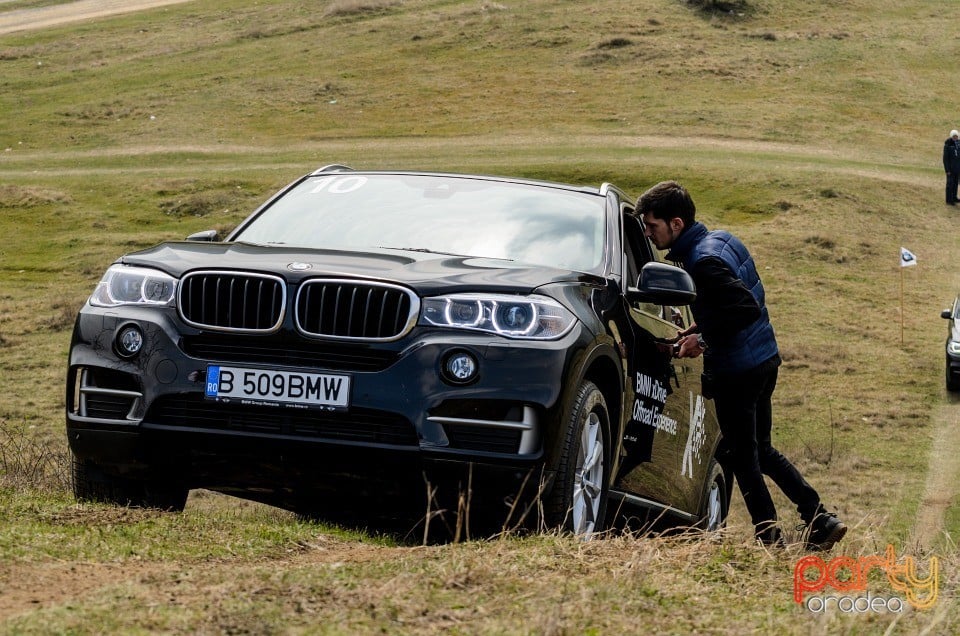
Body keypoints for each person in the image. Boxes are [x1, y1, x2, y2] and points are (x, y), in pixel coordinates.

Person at [636, 180, 847, 550]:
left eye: (653, 226)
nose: (650, 234)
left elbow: (743, 308)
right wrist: (701, 326)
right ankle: (820, 517)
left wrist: (701, 341)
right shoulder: (720, 240)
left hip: (739, 370)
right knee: (760, 451)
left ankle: (770, 537)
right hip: (764, 359)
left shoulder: (702, 263)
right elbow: (735, 301)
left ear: (676, 224)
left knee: (741, 456)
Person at [943, 129, 960, 205]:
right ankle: (949, 200)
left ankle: (954, 197)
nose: (955, 138)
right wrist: (947, 170)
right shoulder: (948, 144)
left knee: (956, 183)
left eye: (956, 136)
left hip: (957, 168)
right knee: (950, 184)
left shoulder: (958, 144)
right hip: (950, 169)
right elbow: (945, 159)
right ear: (951, 136)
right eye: (954, 136)